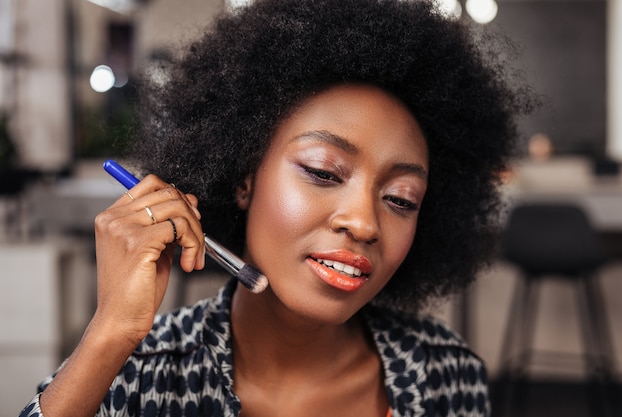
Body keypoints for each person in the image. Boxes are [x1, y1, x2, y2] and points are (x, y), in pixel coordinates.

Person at [19, 0, 533, 416]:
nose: (362, 222)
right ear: (245, 179)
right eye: (324, 173)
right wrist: (111, 333)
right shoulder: (134, 373)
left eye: (401, 199)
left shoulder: (446, 374)